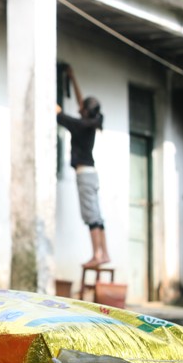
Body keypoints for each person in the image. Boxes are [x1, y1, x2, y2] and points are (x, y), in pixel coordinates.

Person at [56, 66, 110, 268]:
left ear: (85, 112)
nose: (79, 107)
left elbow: (59, 115)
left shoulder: (79, 125)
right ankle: (104, 253)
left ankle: (97, 255)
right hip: (92, 174)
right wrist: (73, 78)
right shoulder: (91, 123)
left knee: (90, 217)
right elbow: (81, 103)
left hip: (84, 176)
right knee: (97, 215)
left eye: (82, 107)